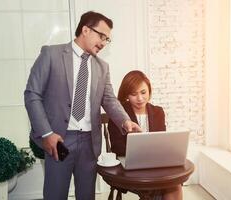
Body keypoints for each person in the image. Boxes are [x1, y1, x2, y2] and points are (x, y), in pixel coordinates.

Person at [24, 11, 141, 200]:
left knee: (87, 196)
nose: (104, 43)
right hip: (59, 140)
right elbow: (32, 94)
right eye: (101, 36)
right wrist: (46, 133)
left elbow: (110, 99)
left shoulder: (102, 67)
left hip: (89, 143)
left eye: (107, 39)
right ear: (85, 30)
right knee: (55, 195)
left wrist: (125, 121)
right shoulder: (51, 54)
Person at [108, 70, 182, 200]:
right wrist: (136, 149)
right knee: (160, 186)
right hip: (130, 167)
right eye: (133, 94)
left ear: (149, 91)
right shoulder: (119, 115)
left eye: (143, 92)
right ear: (126, 95)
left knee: (174, 184)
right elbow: (116, 147)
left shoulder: (158, 112)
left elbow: (162, 142)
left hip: (155, 164)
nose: (140, 98)